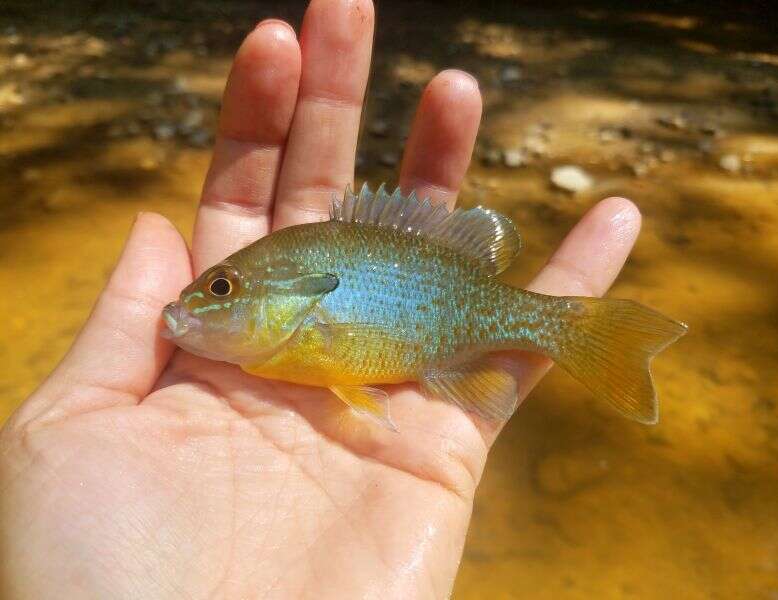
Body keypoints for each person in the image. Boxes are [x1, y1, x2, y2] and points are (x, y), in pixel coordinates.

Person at [0, 0, 642, 597]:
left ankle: (586, 335)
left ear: (296, 297)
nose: (195, 302)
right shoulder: (275, 344)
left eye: (222, 288)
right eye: (217, 287)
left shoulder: (297, 334)